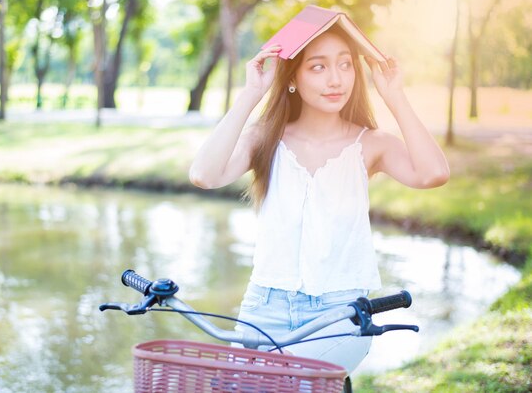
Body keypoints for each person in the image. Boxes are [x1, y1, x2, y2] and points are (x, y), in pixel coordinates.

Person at [188, 23, 450, 373]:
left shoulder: (371, 144)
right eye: (318, 66)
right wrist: (252, 94)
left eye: (345, 65)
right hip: (264, 308)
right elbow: (204, 174)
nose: (336, 79)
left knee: (293, 381)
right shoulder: (265, 138)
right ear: (293, 77)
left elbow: (433, 173)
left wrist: (395, 96)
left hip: (340, 314)